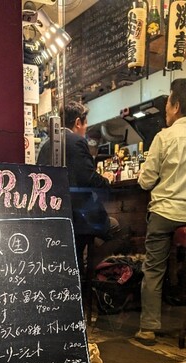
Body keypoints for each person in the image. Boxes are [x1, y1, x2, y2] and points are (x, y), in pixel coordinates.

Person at [135, 78, 186, 346]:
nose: (166, 108)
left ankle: (148, 328)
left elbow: (145, 181)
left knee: (154, 268)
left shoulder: (164, 137)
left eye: (168, 102)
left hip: (165, 214)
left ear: (177, 106)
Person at [37, 101, 120, 267]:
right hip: (78, 216)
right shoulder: (76, 141)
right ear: (77, 122)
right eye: (85, 123)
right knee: (115, 226)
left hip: (53, 214)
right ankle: (94, 271)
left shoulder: (46, 145)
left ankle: (82, 262)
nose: (86, 128)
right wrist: (107, 182)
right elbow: (88, 177)